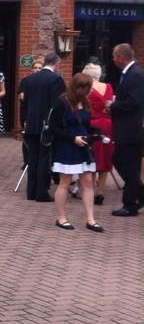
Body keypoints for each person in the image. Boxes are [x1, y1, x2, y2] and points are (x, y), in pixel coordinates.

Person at [47, 73, 103, 232]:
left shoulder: (85, 102)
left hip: (84, 146)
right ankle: (61, 217)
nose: (89, 91)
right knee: (65, 181)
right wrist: (72, 138)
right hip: (67, 146)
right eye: (87, 88)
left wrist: (96, 133)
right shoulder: (62, 103)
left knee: (87, 181)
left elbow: (86, 124)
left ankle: (91, 219)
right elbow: (54, 128)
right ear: (78, 87)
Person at [20, 52, 65, 201]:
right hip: (47, 124)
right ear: (56, 64)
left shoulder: (29, 79)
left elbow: (25, 104)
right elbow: (57, 105)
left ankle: (31, 191)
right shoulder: (56, 80)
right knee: (45, 158)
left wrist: (26, 121)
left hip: (31, 123)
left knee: (32, 158)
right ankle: (42, 192)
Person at [107, 43, 144, 216]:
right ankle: (138, 194)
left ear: (121, 57)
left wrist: (113, 105)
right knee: (121, 161)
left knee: (127, 164)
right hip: (126, 128)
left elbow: (134, 102)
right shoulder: (130, 73)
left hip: (131, 129)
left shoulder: (135, 74)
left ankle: (130, 204)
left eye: (115, 56)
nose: (113, 60)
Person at [83, 62, 114, 206]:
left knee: (92, 157)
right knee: (105, 157)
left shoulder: (86, 90)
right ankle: (100, 192)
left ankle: (90, 189)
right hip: (108, 125)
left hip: (92, 124)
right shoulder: (108, 87)